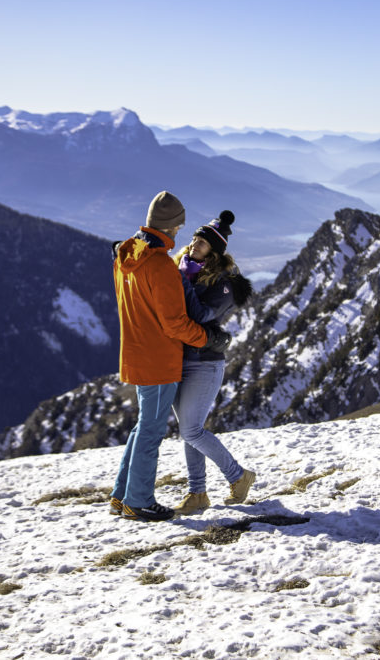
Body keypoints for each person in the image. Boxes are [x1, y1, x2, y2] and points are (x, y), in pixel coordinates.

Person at [109, 191, 231, 522]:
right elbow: (175, 324)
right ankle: (139, 501)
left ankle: (122, 495)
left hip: (134, 353)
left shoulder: (127, 253)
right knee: (150, 431)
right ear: (169, 226)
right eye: (178, 228)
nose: (179, 235)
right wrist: (209, 337)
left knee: (141, 426)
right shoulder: (162, 266)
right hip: (159, 360)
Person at [170, 210, 257, 515]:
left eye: (203, 242)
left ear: (215, 253)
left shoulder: (223, 283)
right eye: (194, 238)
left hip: (204, 363)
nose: (194, 243)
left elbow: (200, 316)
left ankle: (239, 476)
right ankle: (197, 494)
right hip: (179, 359)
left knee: (192, 430)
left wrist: (179, 283)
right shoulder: (182, 268)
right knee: (188, 430)